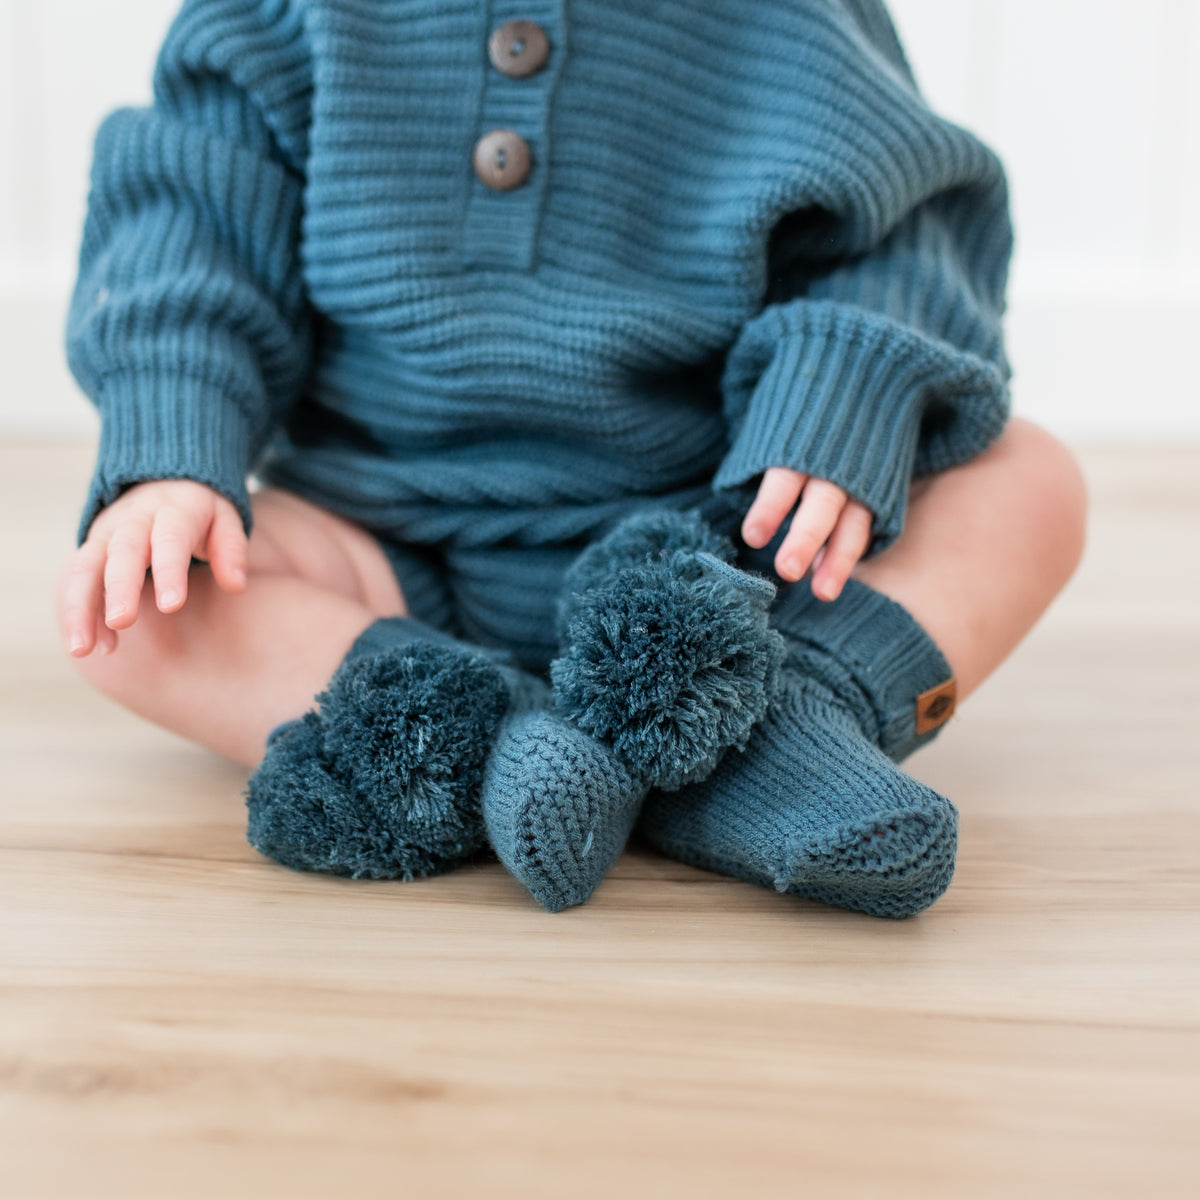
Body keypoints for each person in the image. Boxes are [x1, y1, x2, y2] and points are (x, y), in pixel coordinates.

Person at [54, 0, 1087, 919]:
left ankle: (773, 720)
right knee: (137, 609)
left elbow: (904, 229)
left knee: (1030, 484)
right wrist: (174, 450)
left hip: (720, 565)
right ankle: (494, 741)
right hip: (384, 546)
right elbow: (191, 220)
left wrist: (844, 384)